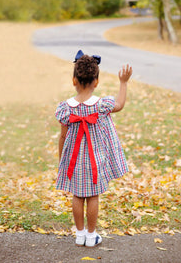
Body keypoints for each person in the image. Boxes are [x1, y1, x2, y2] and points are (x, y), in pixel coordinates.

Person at [55, 50, 132, 247]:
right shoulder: (101, 105)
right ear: (96, 82)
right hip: (96, 160)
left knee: (77, 195)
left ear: (74, 80)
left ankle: (79, 234)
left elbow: (63, 136)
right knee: (93, 196)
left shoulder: (66, 108)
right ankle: (91, 235)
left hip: (74, 160)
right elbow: (120, 104)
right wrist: (123, 82)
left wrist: (61, 159)